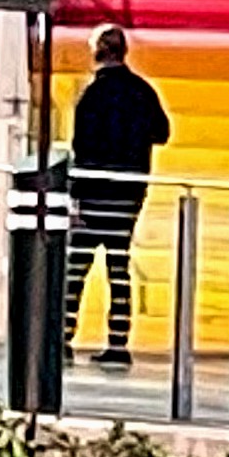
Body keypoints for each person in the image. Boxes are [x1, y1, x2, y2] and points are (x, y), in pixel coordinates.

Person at [63, 25, 170, 368]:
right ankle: (118, 344)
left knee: (76, 268)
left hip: (94, 195)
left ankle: (64, 337)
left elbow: (81, 149)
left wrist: (75, 197)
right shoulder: (142, 91)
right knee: (118, 267)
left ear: (97, 53)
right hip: (129, 195)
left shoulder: (90, 95)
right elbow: (162, 132)